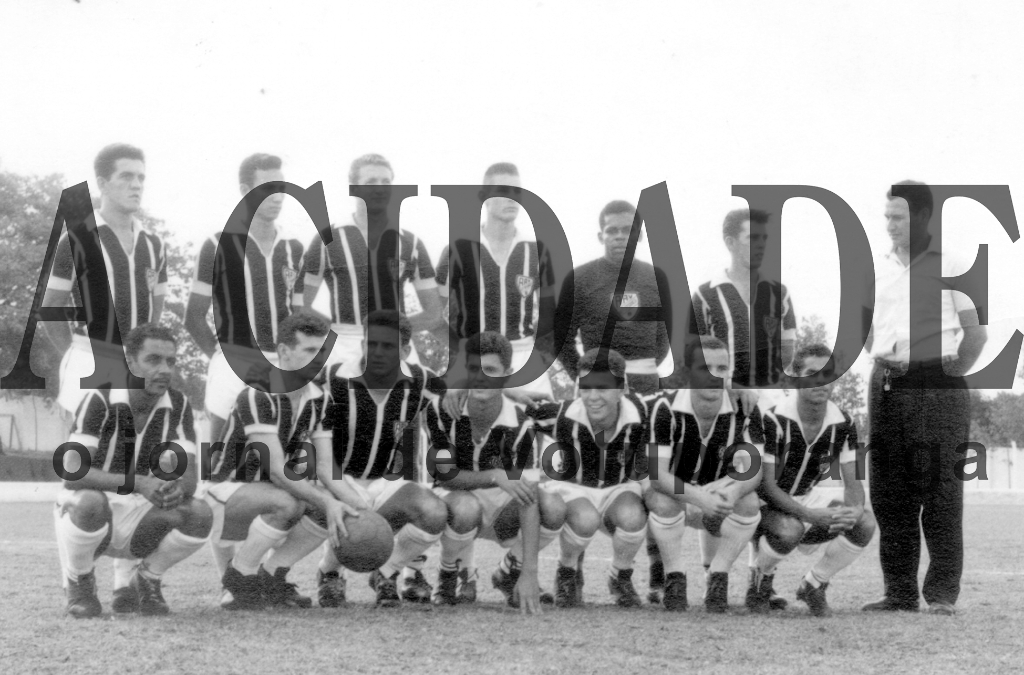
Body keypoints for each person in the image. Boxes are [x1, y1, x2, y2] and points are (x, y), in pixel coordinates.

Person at [42, 143, 170, 599]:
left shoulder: (154, 242)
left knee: (137, 461)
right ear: (103, 183)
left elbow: (155, 315)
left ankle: (125, 582)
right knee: (83, 468)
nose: (136, 184)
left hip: (136, 363)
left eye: (141, 177)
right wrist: (73, 357)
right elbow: (52, 307)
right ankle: (75, 579)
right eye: (126, 177)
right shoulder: (77, 236)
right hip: (91, 357)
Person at [861, 181, 986, 616]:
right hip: (887, 385)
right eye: (887, 216)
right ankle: (898, 592)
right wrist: (884, 360)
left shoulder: (954, 263)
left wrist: (946, 372)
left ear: (922, 217)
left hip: (938, 384)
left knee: (940, 491)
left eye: (897, 217)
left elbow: (975, 334)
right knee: (889, 492)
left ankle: (941, 594)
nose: (889, 225)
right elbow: (866, 328)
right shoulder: (875, 267)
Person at [204, 311, 361, 611]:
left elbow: (327, 467)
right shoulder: (258, 394)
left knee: (331, 504)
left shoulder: (321, 399)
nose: (319, 360)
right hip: (225, 493)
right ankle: (240, 575)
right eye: (310, 351)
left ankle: (272, 574)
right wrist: (329, 501)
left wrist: (355, 504)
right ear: (284, 352)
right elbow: (276, 469)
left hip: (270, 492)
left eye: (322, 351)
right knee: (293, 503)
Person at [54, 324, 210, 618]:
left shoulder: (178, 404)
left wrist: (177, 487)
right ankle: (79, 581)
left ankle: (147, 580)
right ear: (129, 362)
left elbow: (190, 477)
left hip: (139, 513)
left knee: (199, 513)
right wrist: (138, 483)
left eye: (170, 362)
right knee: (90, 502)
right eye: (153, 360)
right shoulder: (99, 399)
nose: (164, 370)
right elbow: (72, 473)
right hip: (92, 507)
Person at [425, 331, 565, 612]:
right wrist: (495, 475)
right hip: (458, 497)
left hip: (502, 506)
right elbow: (444, 475)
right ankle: (449, 571)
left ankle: (510, 572)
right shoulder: (443, 410)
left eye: (490, 370)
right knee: (464, 507)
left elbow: (529, 498)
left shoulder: (522, 422)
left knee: (553, 506)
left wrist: (530, 573)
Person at [317, 310, 449, 608]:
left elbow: (467, 391)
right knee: (331, 508)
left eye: (388, 346)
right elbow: (290, 393)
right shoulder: (332, 377)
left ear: (405, 350)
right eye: (371, 343)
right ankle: (329, 572)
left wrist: (514, 396)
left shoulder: (420, 380)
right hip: (338, 477)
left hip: (387, 481)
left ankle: (386, 572)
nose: (377, 352)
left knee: (433, 511)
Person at [185, 153, 306, 448]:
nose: (277, 197)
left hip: (282, 362)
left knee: (284, 451)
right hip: (234, 362)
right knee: (220, 451)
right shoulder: (217, 245)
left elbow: (301, 315)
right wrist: (223, 355)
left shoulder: (294, 247)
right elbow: (194, 317)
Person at [749, 343, 876, 617]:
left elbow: (854, 481)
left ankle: (814, 584)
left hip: (806, 496)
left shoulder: (844, 422)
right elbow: (766, 485)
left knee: (864, 521)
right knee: (789, 530)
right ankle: (760, 579)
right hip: (763, 503)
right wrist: (809, 515)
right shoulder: (771, 417)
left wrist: (852, 510)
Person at [646, 336, 764, 612]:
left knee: (748, 501)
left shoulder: (745, 407)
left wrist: (731, 493)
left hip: (717, 489)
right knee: (662, 501)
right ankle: (674, 577)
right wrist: (699, 498)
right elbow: (656, 474)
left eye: (721, 368)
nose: (714, 376)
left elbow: (754, 468)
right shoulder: (664, 407)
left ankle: (718, 576)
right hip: (676, 491)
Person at [301, 153, 447, 370]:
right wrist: (336, 329)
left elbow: (434, 312)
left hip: (395, 344)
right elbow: (300, 304)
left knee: (409, 402)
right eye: (371, 182)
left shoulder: (410, 242)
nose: (380, 188)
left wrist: (397, 331)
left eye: (386, 182)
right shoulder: (327, 239)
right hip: (345, 345)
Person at [530, 348, 651, 608]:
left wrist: (733, 389)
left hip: (617, 488)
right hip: (573, 489)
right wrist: (511, 391)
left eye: (603, 388)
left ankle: (620, 575)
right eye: (586, 387)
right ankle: (567, 571)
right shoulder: (563, 414)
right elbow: (520, 414)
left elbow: (679, 400)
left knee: (633, 515)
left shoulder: (642, 412)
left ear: (622, 388)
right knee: (586, 518)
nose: (593, 397)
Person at [437, 162, 558, 400]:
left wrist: (540, 356)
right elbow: (433, 315)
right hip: (471, 360)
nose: (511, 198)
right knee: (464, 433)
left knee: (538, 430)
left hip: (522, 357)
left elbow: (550, 318)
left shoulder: (537, 251)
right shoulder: (457, 250)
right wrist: (460, 350)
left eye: (517, 191)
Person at [554, 200, 672, 397]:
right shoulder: (580, 278)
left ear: (639, 235)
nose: (620, 237)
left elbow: (665, 336)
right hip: (598, 384)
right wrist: (585, 376)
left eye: (627, 230)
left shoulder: (656, 278)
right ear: (601, 237)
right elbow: (561, 340)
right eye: (612, 231)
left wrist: (642, 369)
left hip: (647, 383)